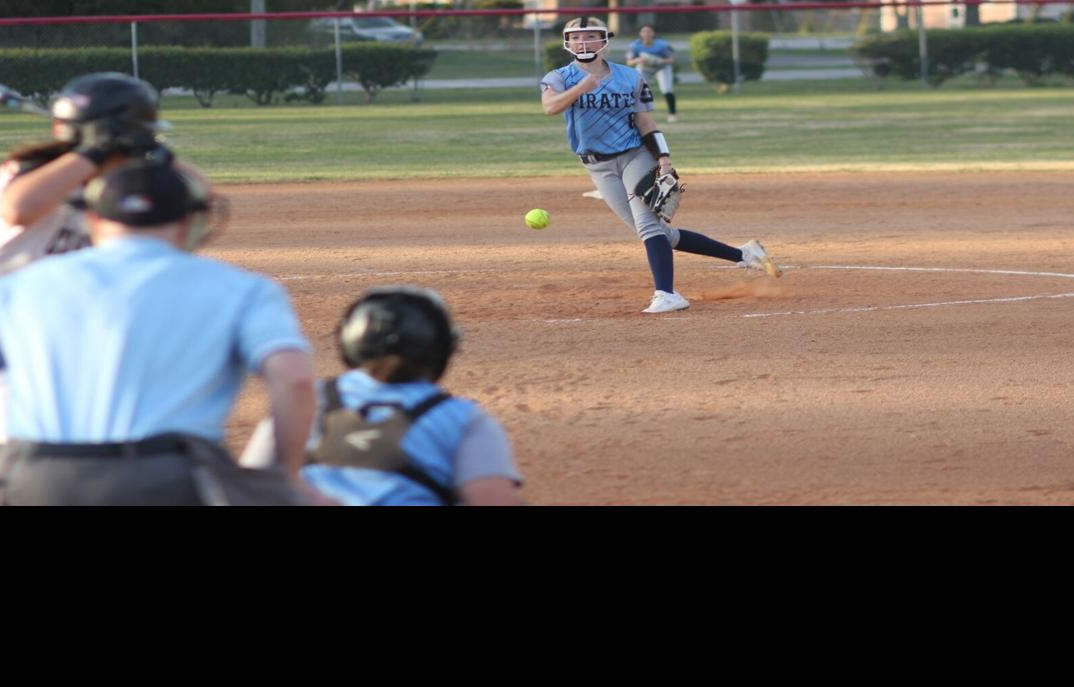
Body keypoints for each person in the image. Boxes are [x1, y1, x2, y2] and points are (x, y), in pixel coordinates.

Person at [0, 160, 320, 505]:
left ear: (93, 220)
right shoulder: (244, 289)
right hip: (170, 478)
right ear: (188, 221)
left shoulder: (15, 287)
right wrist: (283, 480)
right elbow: (296, 379)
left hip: (35, 478)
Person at [0, 71, 176, 447]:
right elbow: (20, 209)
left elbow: (197, 199)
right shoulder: (30, 176)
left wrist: (159, 159)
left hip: (35, 341)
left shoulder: (111, 186)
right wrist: (92, 152)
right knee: (59, 447)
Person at [542, 17, 780, 315]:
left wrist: (664, 159)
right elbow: (550, 107)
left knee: (647, 225)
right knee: (656, 233)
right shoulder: (559, 77)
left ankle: (667, 294)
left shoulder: (630, 77)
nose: (583, 43)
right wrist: (583, 87)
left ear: (604, 40)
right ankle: (745, 254)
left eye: (590, 36)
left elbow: (646, 122)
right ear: (567, 42)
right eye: (577, 38)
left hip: (635, 155)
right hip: (597, 166)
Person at [239, 286, 526, 506]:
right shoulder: (464, 419)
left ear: (348, 344)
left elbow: (245, 486)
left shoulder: (309, 403)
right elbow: (491, 497)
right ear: (442, 351)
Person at [627, 25, 678, 123]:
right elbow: (629, 62)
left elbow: (672, 60)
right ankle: (637, 114)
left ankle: (672, 114)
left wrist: (658, 61)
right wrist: (638, 59)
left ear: (653, 33)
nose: (646, 34)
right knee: (638, 89)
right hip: (645, 67)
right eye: (644, 32)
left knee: (667, 89)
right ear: (640, 34)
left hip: (661, 67)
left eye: (649, 31)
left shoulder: (662, 45)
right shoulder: (635, 45)